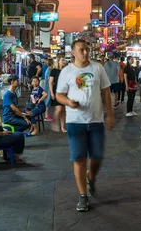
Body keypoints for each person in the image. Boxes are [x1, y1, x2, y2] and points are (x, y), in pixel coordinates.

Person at [56, 39, 114, 212]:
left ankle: (91, 177)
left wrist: (110, 114)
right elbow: (59, 95)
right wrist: (68, 102)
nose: (85, 53)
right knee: (79, 158)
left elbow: (106, 91)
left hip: (96, 120)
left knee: (96, 157)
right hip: (75, 121)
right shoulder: (66, 71)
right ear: (73, 52)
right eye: (81, 50)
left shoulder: (97, 68)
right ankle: (83, 196)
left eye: (87, 49)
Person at [49, 56, 68, 133]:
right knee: (59, 109)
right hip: (56, 91)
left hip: (65, 92)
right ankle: (55, 123)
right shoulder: (54, 70)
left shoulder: (66, 70)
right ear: (58, 61)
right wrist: (51, 92)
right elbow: (50, 82)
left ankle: (63, 127)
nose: (64, 61)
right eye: (62, 60)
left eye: (64, 60)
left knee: (63, 110)